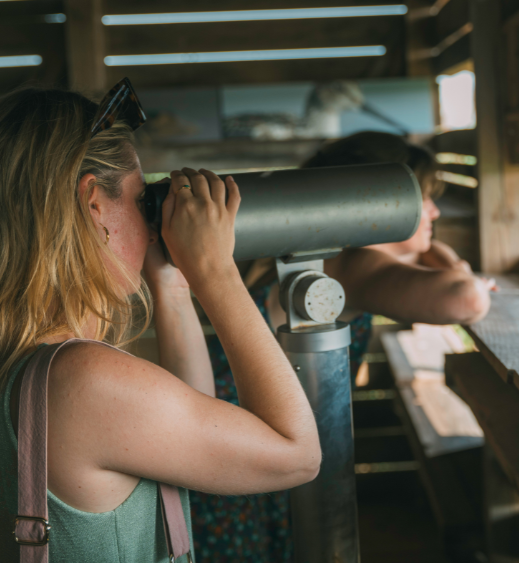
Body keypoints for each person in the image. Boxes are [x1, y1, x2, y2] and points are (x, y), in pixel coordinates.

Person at [0, 82, 320, 563]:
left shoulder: (11, 367)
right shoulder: (85, 380)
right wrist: (216, 273)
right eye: (142, 201)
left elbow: (191, 425)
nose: (153, 222)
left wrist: (175, 284)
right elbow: (296, 456)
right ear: (94, 206)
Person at [191, 131, 494, 562]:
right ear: (382, 199)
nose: (435, 211)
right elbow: (466, 299)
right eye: (423, 197)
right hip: (254, 459)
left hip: (228, 446)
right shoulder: (356, 266)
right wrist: (458, 267)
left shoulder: (306, 250)